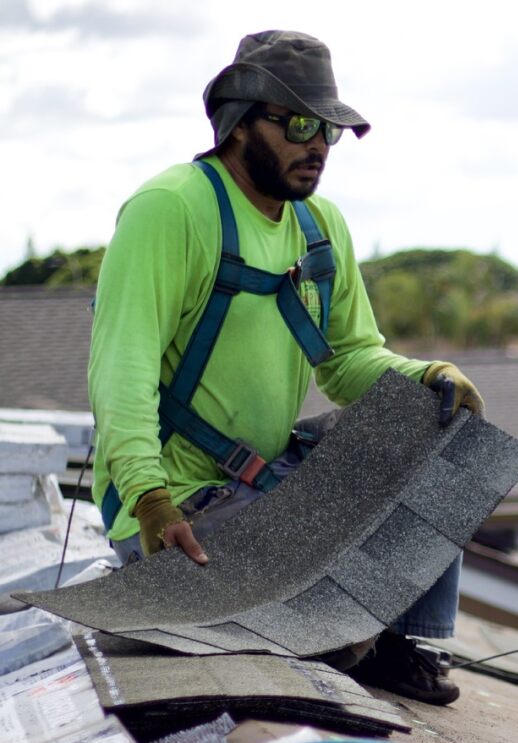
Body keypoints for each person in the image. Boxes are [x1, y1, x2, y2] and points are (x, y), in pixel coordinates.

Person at [88, 30, 481, 706]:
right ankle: (341, 631)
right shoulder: (173, 209)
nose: (319, 145)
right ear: (241, 122)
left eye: (328, 128)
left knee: (432, 421)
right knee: (324, 622)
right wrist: (149, 498)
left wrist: (426, 375)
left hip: (265, 490)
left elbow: (351, 362)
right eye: (300, 123)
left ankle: (395, 644)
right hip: (177, 508)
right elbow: (119, 368)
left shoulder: (319, 225)